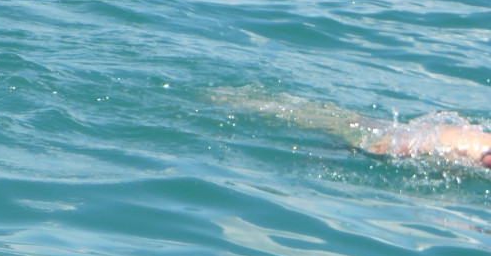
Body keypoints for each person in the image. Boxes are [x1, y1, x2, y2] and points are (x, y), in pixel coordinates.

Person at [210, 85, 491, 169]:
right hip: (392, 143)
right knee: (320, 122)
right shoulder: (481, 150)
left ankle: (237, 99)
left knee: (327, 119)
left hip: (403, 137)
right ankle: (229, 99)